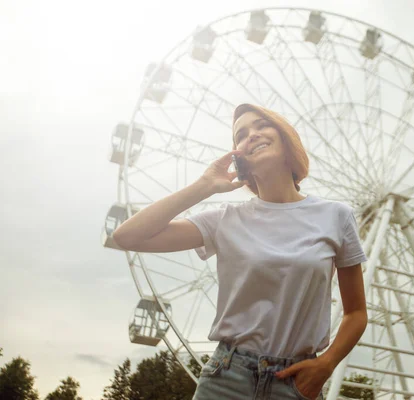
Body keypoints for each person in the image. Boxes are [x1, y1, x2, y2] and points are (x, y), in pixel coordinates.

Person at [112, 104, 368, 400]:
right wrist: (204, 186)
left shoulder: (336, 216)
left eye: (262, 125)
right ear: (238, 157)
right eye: (241, 134)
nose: (252, 135)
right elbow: (127, 236)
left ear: (285, 137)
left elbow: (356, 312)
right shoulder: (225, 218)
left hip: (296, 383)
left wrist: (326, 364)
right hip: (226, 378)